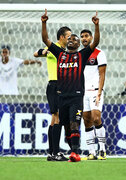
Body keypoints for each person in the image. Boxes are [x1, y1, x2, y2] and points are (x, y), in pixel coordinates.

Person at [41, 9, 100, 162]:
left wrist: (96, 26)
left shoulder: (82, 55)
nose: (72, 40)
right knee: (66, 126)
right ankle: (65, 150)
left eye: (75, 39)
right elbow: (45, 39)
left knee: (74, 123)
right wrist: (44, 23)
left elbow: (96, 42)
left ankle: (75, 153)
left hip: (76, 95)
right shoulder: (59, 54)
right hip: (62, 96)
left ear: (79, 44)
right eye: (70, 39)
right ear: (66, 42)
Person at [34, 26, 72, 161]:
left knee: (54, 119)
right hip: (55, 85)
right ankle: (56, 152)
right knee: (58, 118)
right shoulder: (54, 48)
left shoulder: (65, 51)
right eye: (68, 36)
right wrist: (45, 51)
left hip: (61, 86)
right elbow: (36, 53)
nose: (70, 39)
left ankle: (51, 153)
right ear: (61, 37)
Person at [80, 29, 107, 160]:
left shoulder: (99, 53)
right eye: (82, 37)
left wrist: (100, 92)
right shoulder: (79, 55)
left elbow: (102, 74)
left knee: (96, 118)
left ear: (91, 38)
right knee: (86, 121)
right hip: (83, 92)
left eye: (86, 36)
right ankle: (92, 152)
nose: (84, 38)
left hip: (95, 90)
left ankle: (102, 150)